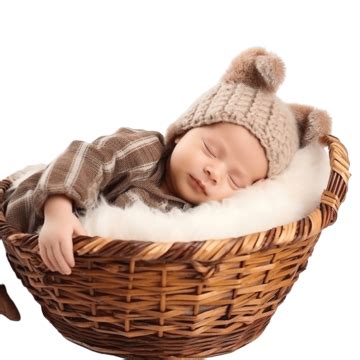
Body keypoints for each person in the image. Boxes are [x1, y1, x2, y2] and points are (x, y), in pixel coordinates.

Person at [2, 47, 332, 281]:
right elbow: (87, 157)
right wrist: (58, 212)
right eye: (210, 150)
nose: (214, 172)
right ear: (183, 131)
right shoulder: (146, 151)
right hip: (37, 210)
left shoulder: (203, 223)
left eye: (235, 179)